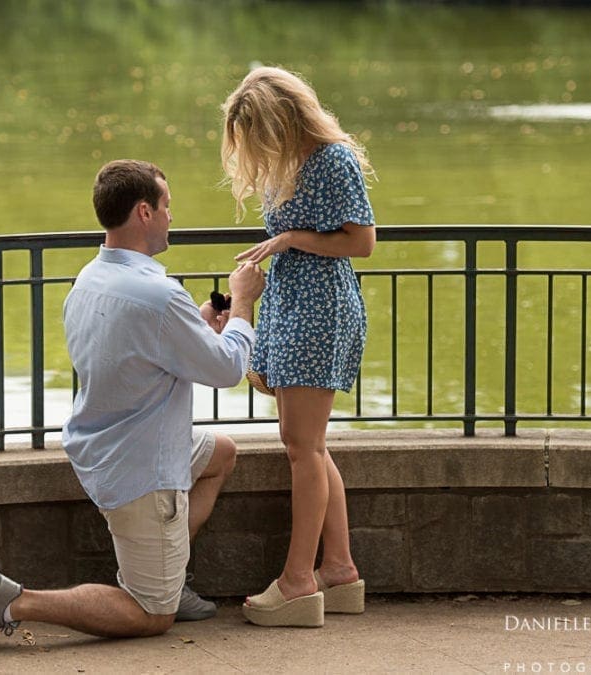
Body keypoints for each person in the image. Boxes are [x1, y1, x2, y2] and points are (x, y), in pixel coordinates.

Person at [0, 159, 265, 641]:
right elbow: (227, 370)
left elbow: (136, 355)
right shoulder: (159, 296)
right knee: (150, 614)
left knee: (220, 454)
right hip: (144, 469)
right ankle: (16, 601)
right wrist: (243, 301)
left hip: (102, 444)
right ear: (144, 212)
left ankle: (170, 572)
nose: (171, 216)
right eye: (166, 206)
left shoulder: (90, 279)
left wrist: (198, 327)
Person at [220, 66, 376, 628]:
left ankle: (297, 582)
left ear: (285, 118)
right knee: (306, 443)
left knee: (301, 447)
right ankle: (338, 570)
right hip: (292, 305)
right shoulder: (289, 163)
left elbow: (362, 243)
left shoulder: (331, 159)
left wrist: (289, 239)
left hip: (321, 308)